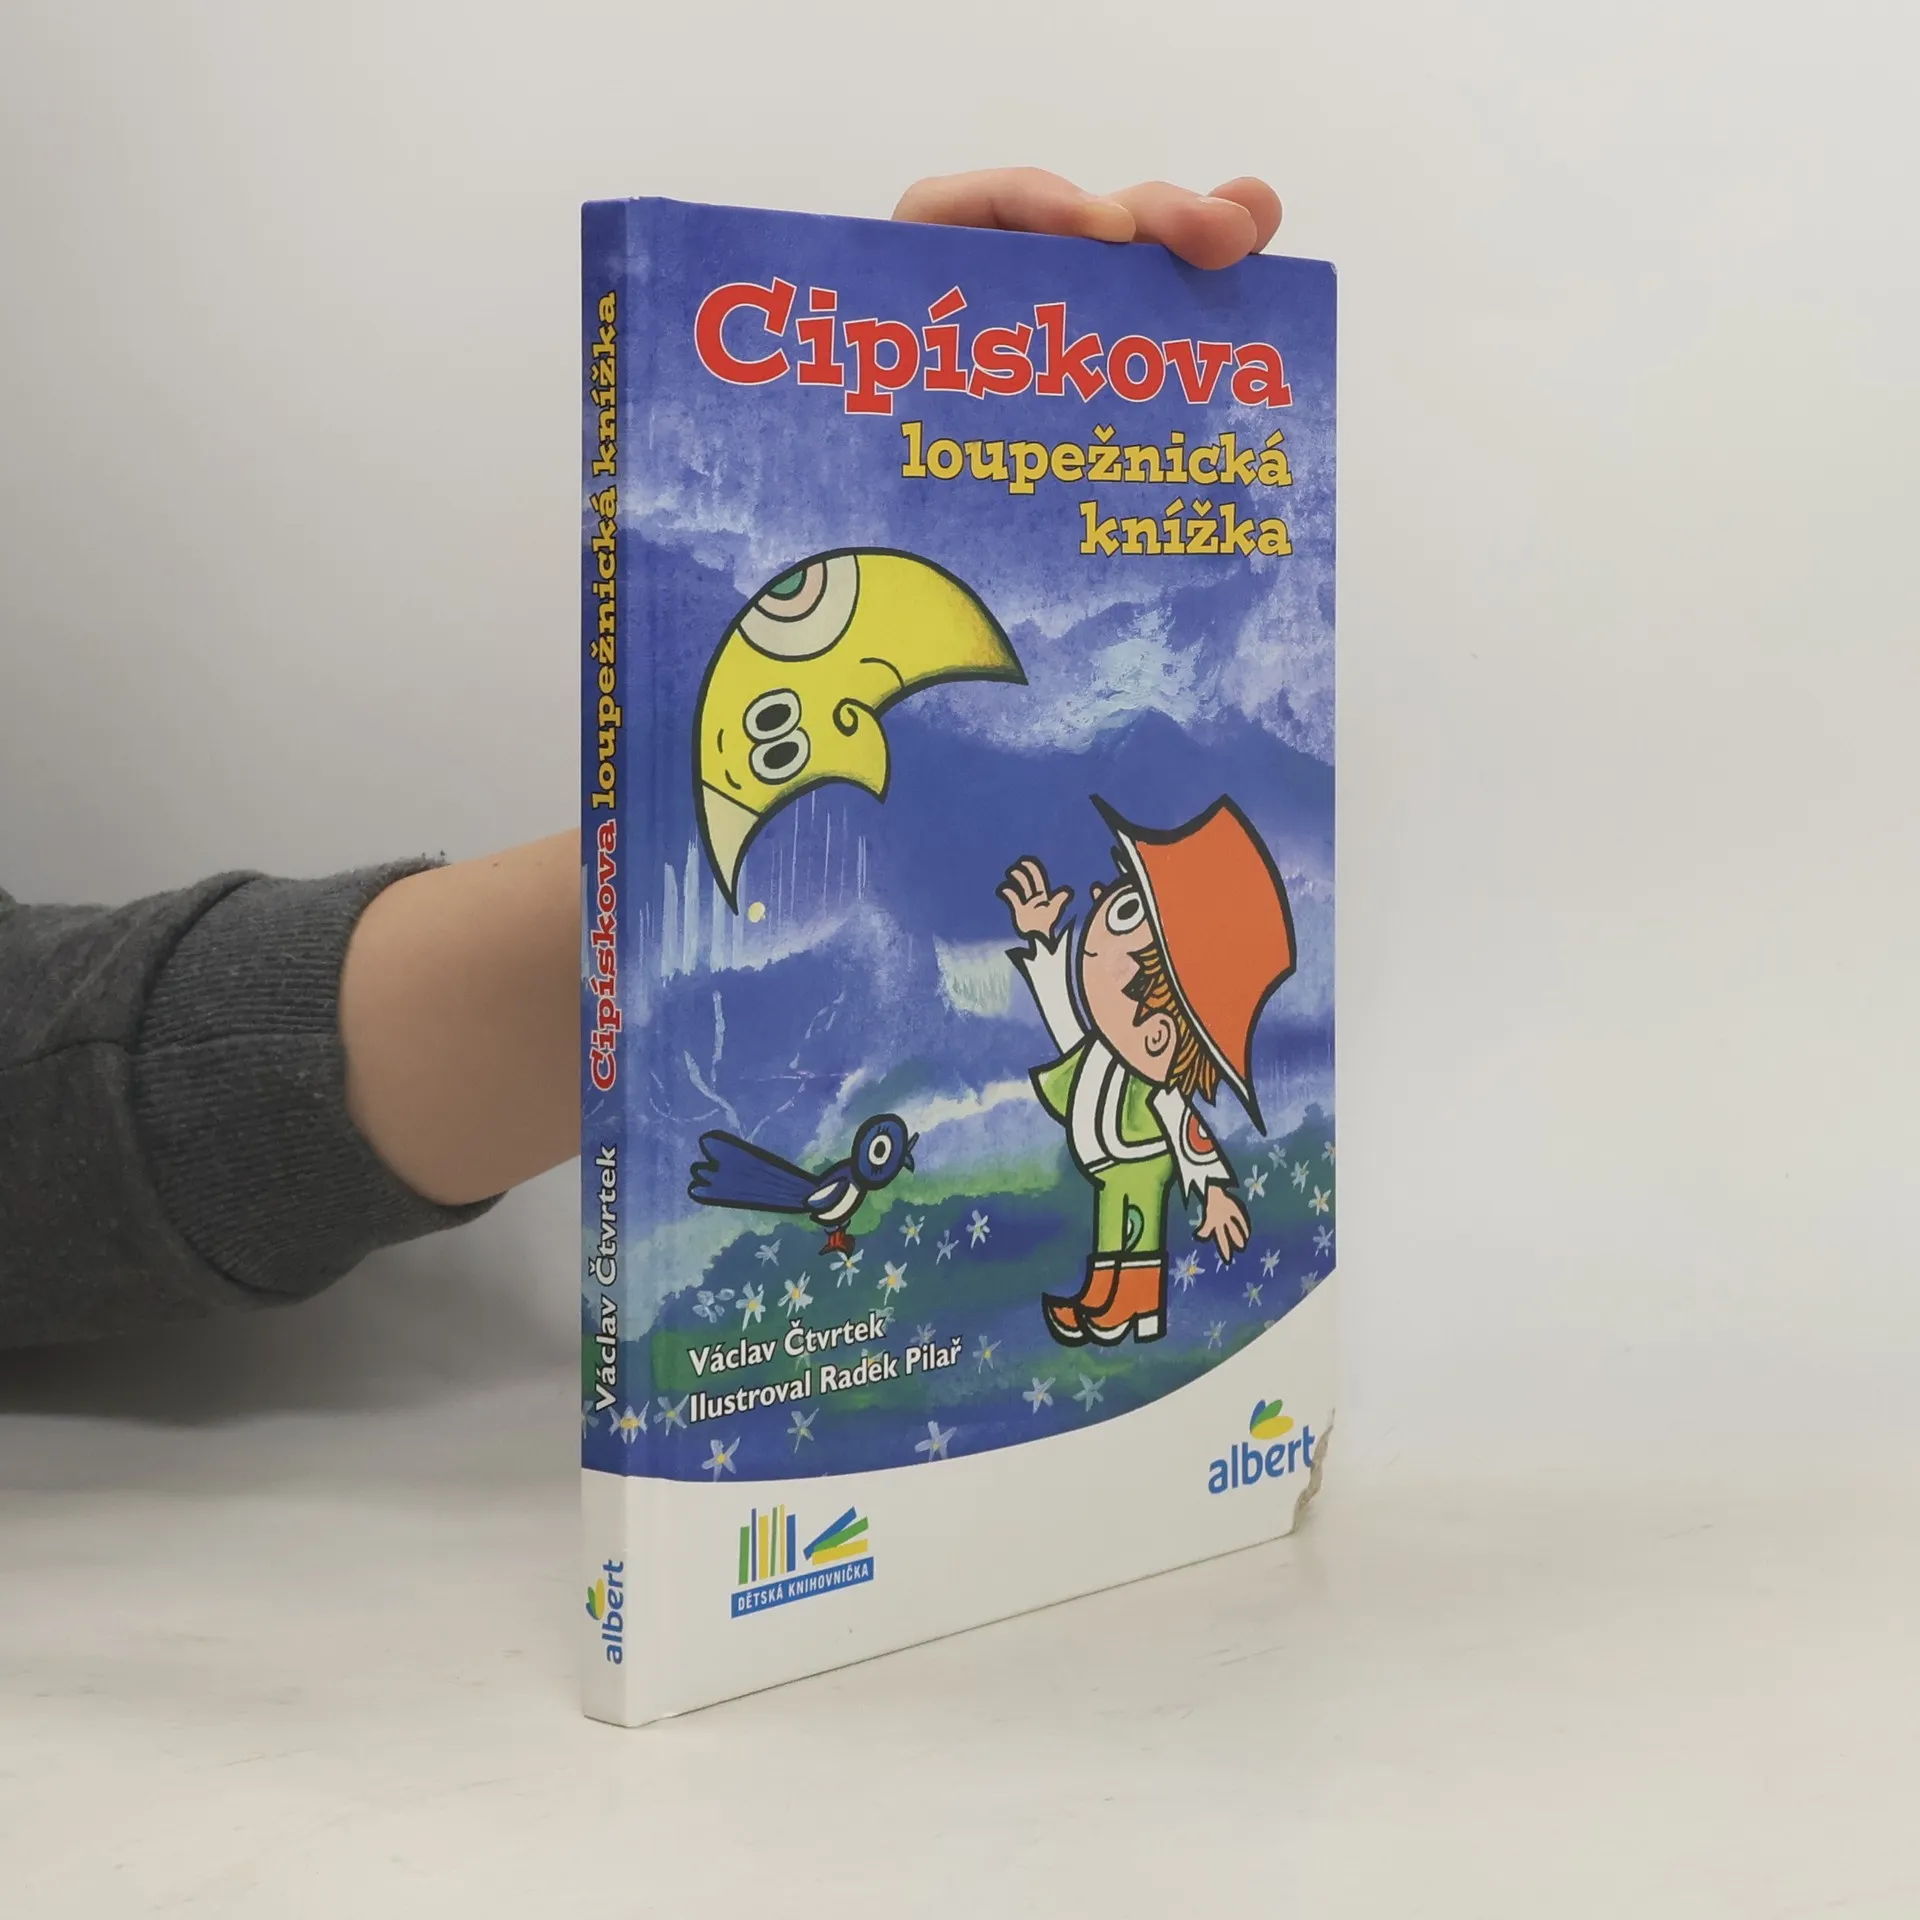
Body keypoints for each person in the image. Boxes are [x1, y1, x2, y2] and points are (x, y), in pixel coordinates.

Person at [0, 169, 1284, 1352]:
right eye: (1128, 919)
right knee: (1096, 1248)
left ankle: (1123, 1295)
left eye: (1140, 947)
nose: (1116, 955)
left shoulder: (1149, 1092)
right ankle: (1114, 1294)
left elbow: (49, 1091)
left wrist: (905, 435)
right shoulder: (1093, 1045)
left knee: (1120, 1243)